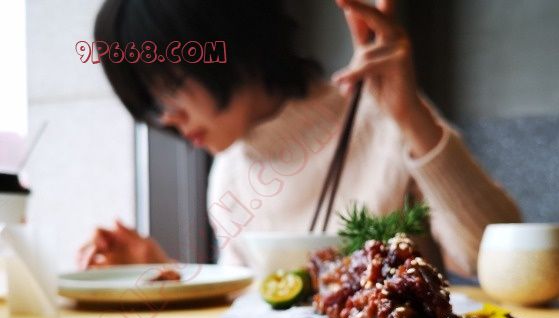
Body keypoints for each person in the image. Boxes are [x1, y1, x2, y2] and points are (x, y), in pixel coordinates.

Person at [79, 0, 521, 277]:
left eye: (170, 87)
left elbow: (497, 261)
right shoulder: (229, 172)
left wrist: (412, 117)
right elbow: (251, 310)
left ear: (228, 42)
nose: (168, 118)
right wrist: (160, 272)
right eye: (151, 104)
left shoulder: (382, 118)